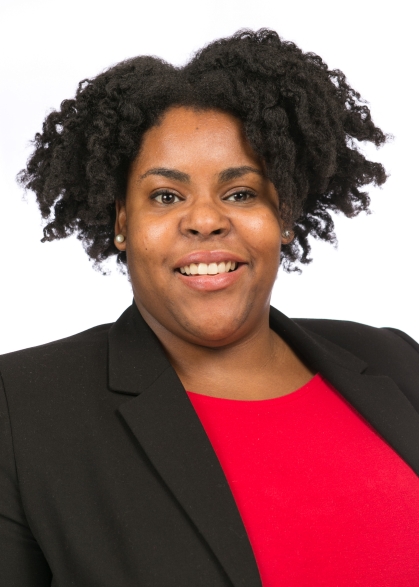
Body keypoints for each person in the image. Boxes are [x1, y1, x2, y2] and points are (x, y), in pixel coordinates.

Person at [1, 28, 418, 587]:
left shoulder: (393, 358)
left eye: (240, 193)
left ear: (285, 214)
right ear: (123, 220)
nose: (205, 220)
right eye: (166, 196)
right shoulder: (22, 409)